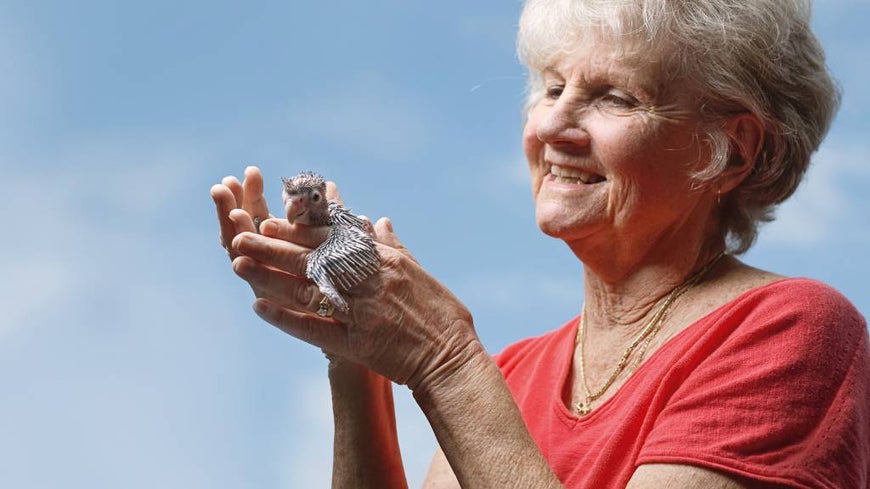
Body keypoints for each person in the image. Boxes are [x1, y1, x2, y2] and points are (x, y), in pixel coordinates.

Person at [211, 0, 869, 487]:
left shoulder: (792, 330)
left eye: (614, 96)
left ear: (731, 151)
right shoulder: (515, 374)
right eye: (552, 86)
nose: (552, 123)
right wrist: (353, 349)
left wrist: (445, 356)